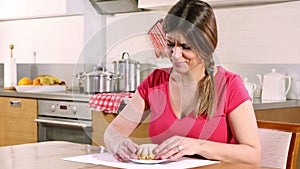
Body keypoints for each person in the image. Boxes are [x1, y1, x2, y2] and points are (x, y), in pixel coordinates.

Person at [104, 0, 262, 165]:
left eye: (186, 47)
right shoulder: (155, 81)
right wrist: (118, 143)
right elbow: (114, 131)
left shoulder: (229, 85)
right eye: (171, 44)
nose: (175, 55)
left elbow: (253, 154)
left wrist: (198, 146)